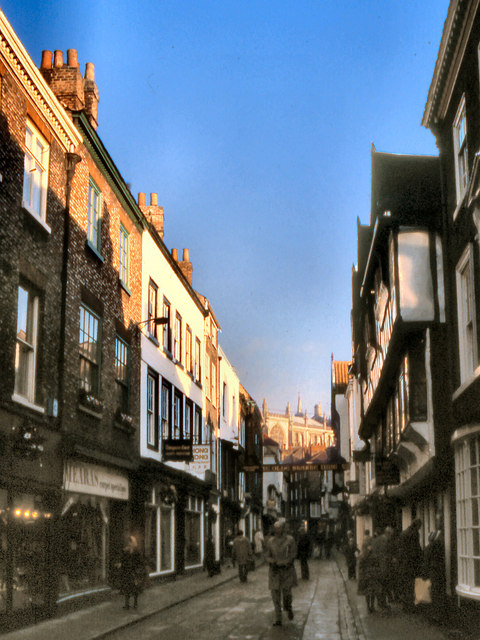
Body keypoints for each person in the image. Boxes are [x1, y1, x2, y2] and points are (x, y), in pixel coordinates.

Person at [265, 520, 297, 626]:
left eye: (279, 528)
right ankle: (278, 618)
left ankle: (288, 607)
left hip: (286, 571)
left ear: (283, 528)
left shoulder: (290, 540)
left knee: (287, 594)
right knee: (275, 596)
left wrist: (285, 562)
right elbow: (267, 555)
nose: (277, 530)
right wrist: (271, 561)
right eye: (275, 528)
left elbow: (293, 554)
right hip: (274, 572)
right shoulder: (270, 541)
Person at [397, 518, 423, 612]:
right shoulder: (414, 533)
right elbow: (416, 549)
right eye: (420, 526)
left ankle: (405, 606)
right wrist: (421, 556)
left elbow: (399, 548)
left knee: (405, 585)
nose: (420, 528)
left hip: (403, 563)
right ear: (417, 525)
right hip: (411, 563)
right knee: (412, 585)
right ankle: (411, 606)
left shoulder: (403, 533)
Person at [118, 535, 146, 610]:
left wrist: (138, 570)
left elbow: (140, 562)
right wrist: (121, 564)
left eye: (131, 542)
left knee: (135, 589)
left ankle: (135, 604)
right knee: (127, 588)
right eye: (129, 542)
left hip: (134, 572)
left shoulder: (137, 551)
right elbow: (123, 560)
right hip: (127, 572)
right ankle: (127, 604)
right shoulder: (125, 550)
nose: (130, 544)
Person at [357, 540, 381, 613]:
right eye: (369, 546)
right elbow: (361, 566)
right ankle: (369, 607)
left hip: (371, 576)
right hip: (368, 576)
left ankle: (371, 607)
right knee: (369, 592)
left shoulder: (372, 555)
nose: (370, 547)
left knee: (372, 592)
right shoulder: (364, 555)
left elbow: (377, 564)